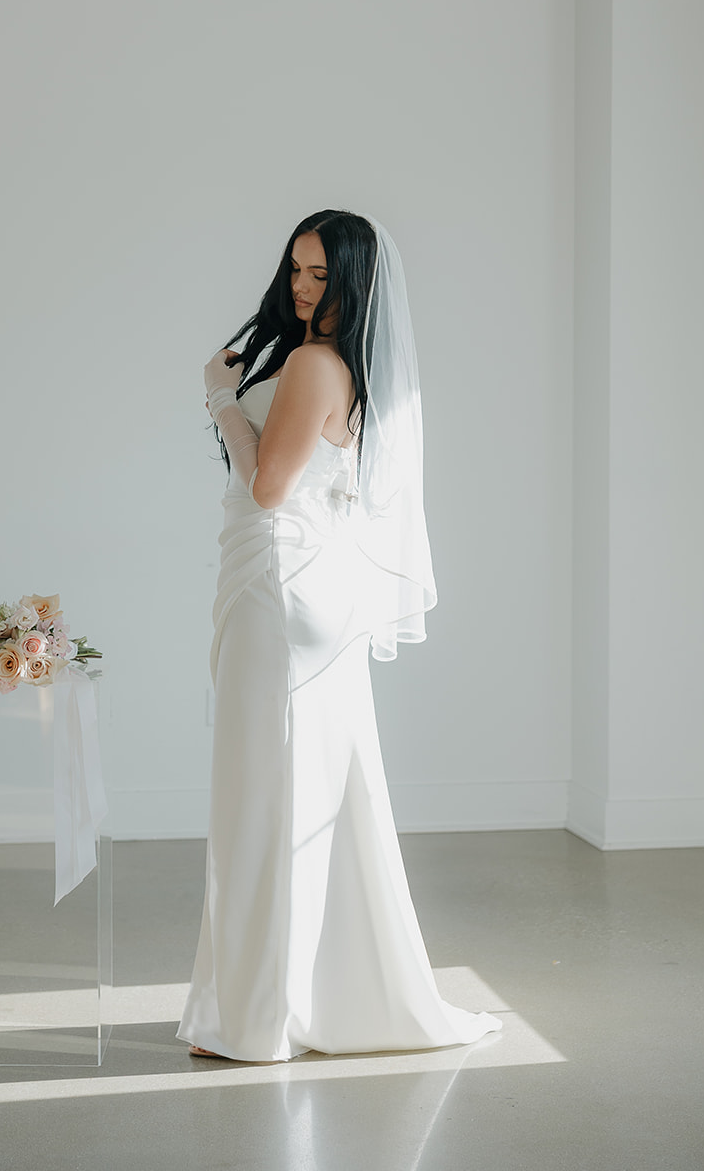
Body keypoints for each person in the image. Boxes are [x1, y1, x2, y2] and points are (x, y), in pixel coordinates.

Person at [177, 209, 502, 1062]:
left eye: (320, 275)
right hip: (295, 589)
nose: (301, 287)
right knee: (303, 795)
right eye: (295, 268)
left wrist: (218, 399)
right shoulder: (325, 363)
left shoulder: (315, 364)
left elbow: (268, 488)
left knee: (265, 801)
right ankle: (281, 1006)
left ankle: (257, 1020)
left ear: (354, 284)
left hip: (279, 590)